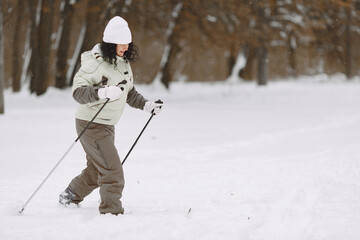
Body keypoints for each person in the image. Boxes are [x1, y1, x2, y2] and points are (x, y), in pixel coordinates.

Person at [59, 16, 163, 215]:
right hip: (91, 124)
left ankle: (70, 195)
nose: (125, 47)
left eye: (127, 43)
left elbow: (128, 92)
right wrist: (103, 92)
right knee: (112, 171)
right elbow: (78, 92)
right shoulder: (94, 64)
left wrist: (146, 105)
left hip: (107, 125)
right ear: (110, 44)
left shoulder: (122, 63)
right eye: (121, 44)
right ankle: (111, 212)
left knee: (99, 168)